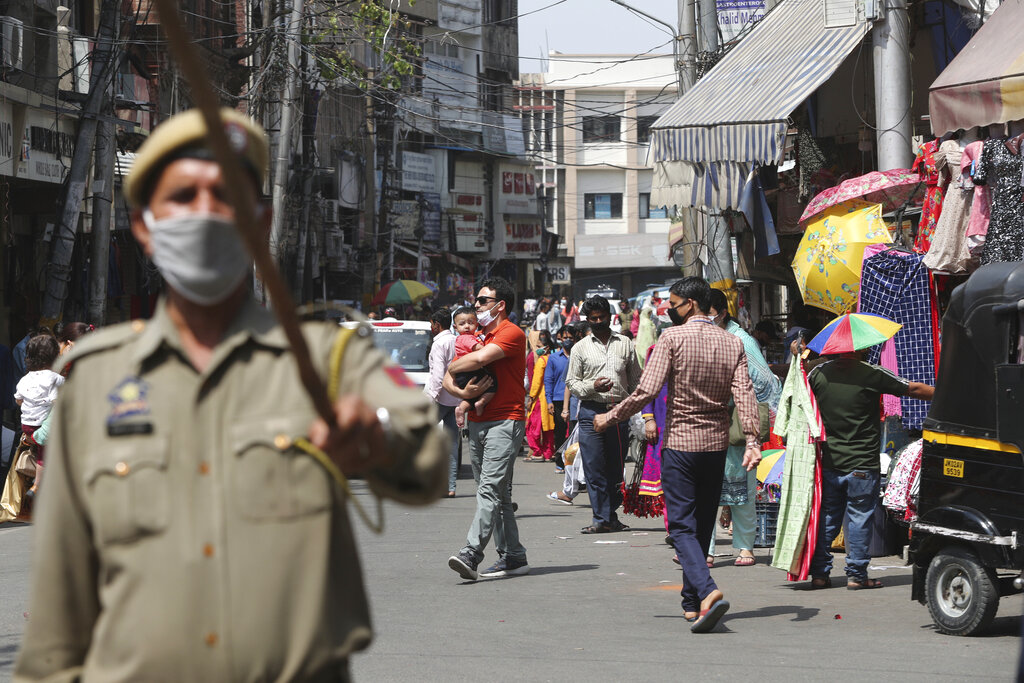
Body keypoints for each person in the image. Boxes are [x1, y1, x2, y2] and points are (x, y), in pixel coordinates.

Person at [14, 108, 446, 682]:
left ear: (260, 221)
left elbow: (429, 457)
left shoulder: (331, 356)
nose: (205, 215)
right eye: (183, 197)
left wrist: (377, 442)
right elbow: (60, 603)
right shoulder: (94, 378)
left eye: (226, 197)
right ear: (143, 226)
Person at [593, 277, 760, 633]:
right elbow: (745, 394)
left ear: (691, 305)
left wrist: (609, 417)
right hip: (714, 448)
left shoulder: (671, 338)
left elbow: (645, 391)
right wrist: (753, 439)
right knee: (700, 525)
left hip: (681, 445)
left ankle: (708, 591)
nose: (669, 310)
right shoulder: (732, 342)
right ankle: (692, 601)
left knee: (682, 525)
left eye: (673, 303)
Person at [806, 344, 934, 591]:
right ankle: (856, 575)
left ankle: (819, 574)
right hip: (863, 463)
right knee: (859, 518)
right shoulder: (871, 373)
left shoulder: (818, 374)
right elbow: (913, 389)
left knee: (829, 517)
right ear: (862, 347)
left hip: (831, 461)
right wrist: (948, 392)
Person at [444, 277, 530, 580]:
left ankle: (471, 552)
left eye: (482, 301)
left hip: (506, 420)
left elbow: (477, 360)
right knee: (499, 494)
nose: (476, 306)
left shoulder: (511, 333)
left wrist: (454, 369)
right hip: (478, 422)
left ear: (500, 305)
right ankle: (513, 556)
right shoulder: (476, 333)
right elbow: (446, 379)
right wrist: (463, 395)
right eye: (476, 301)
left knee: (490, 489)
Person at [707, 289, 782, 567]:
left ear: (722, 312)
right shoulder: (699, 336)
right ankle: (706, 549)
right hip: (704, 424)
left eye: (709, 312)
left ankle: (745, 547)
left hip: (736, 423)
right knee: (704, 490)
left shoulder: (741, 340)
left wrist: (734, 392)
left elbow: (765, 381)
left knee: (743, 487)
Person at [565, 295, 641, 534]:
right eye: (593, 318)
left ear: (610, 317)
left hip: (618, 414)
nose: (597, 321)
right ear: (587, 320)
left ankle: (611, 516)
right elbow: (572, 382)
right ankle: (600, 518)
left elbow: (637, 380)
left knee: (616, 469)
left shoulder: (625, 344)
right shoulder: (580, 348)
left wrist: (637, 409)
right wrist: (592, 387)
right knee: (594, 467)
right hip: (590, 413)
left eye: (601, 317)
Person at [426, 307, 462, 497]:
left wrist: (431, 398)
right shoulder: (456, 341)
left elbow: (438, 376)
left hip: (440, 399)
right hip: (455, 399)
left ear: (437, 324)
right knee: (452, 444)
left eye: (431, 323)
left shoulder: (439, 344)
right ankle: (450, 487)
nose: (431, 327)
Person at [450, 306, 497, 426]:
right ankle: (482, 402)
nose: (466, 326)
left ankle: (462, 408)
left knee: (470, 398)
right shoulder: (466, 338)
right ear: (455, 327)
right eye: (462, 324)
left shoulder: (464, 338)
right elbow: (481, 351)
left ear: (476, 325)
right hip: (471, 372)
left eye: (470, 323)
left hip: (462, 375)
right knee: (493, 383)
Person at [525, 330, 555, 462]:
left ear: (546, 347)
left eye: (538, 346)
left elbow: (536, 382)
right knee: (549, 428)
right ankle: (548, 453)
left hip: (540, 398)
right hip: (551, 397)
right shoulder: (554, 358)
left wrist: (531, 398)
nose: (536, 349)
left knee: (533, 427)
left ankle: (537, 451)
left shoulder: (541, 361)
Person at [544, 325, 572, 464]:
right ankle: (559, 461)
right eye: (565, 338)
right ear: (559, 339)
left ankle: (573, 462)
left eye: (570, 338)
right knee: (560, 431)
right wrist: (549, 401)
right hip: (559, 399)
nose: (567, 340)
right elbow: (548, 380)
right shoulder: (554, 358)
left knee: (574, 432)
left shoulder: (577, 355)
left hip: (576, 399)